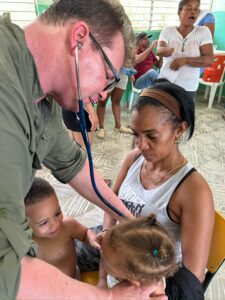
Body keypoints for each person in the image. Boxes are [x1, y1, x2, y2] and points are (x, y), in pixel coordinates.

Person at [0, 0, 165, 299]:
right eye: (107, 76)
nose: (103, 92)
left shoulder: (39, 97)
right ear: (79, 39)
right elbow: (6, 272)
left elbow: (75, 165)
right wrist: (111, 297)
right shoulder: (4, 91)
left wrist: (128, 219)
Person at [103, 80, 215, 299]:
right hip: (121, 252)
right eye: (135, 134)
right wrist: (107, 235)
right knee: (58, 243)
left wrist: (148, 287)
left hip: (156, 273)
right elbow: (111, 201)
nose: (140, 145)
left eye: (151, 136)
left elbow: (193, 276)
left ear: (179, 130)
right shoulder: (135, 159)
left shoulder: (193, 190)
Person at [24, 177, 99, 278]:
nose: (55, 224)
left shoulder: (68, 226)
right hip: (44, 291)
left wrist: (93, 239)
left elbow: (85, 233)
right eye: (44, 222)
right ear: (24, 222)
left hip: (73, 282)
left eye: (57, 213)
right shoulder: (23, 241)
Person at [98, 214, 177, 297]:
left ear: (132, 280)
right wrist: (102, 280)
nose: (102, 257)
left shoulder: (154, 292)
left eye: (106, 260)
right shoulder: (116, 257)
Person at [157, 0, 214, 102]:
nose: (193, 12)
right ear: (179, 12)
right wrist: (167, 50)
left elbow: (209, 60)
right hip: (165, 83)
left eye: (196, 9)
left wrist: (185, 60)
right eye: (188, 8)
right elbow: (159, 50)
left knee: (184, 117)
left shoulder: (203, 32)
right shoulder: (168, 31)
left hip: (187, 88)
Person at [96, 69, 132, 139]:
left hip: (124, 74)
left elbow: (131, 58)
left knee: (117, 101)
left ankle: (118, 126)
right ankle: (101, 128)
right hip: (110, 70)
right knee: (102, 102)